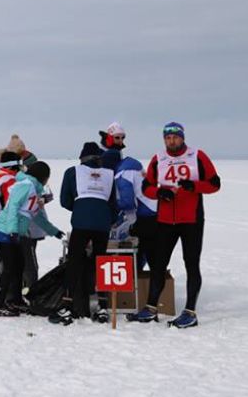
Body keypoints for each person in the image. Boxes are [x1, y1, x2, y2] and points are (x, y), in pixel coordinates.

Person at [130, 122, 220, 328]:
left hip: (191, 220)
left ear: (182, 137)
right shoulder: (158, 159)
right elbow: (147, 187)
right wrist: (159, 192)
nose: (171, 141)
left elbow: (215, 184)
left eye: (175, 137)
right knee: (158, 264)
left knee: (191, 263)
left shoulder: (197, 156)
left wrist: (194, 186)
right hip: (165, 220)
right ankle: (150, 308)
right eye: (167, 138)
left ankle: (190, 312)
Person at [51, 142, 115, 325]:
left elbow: (64, 200)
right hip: (103, 224)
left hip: (81, 223)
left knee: (74, 262)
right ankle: (102, 306)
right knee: (101, 262)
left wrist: (80, 208)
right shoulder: (109, 174)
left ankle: (68, 305)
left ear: (82, 158)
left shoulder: (72, 172)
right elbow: (114, 203)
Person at [0, 161, 65, 316]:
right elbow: (13, 207)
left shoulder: (33, 190)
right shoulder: (25, 185)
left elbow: (36, 216)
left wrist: (55, 231)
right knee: (9, 268)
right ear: (43, 177)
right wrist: (12, 230)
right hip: (6, 231)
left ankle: (16, 301)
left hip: (17, 233)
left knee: (19, 267)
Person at [99, 122, 157, 268]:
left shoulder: (123, 173)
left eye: (122, 138)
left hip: (148, 214)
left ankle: (138, 279)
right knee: (145, 248)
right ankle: (144, 278)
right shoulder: (129, 167)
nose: (121, 141)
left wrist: (111, 206)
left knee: (139, 248)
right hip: (152, 211)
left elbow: (128, 202)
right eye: (117, 138)